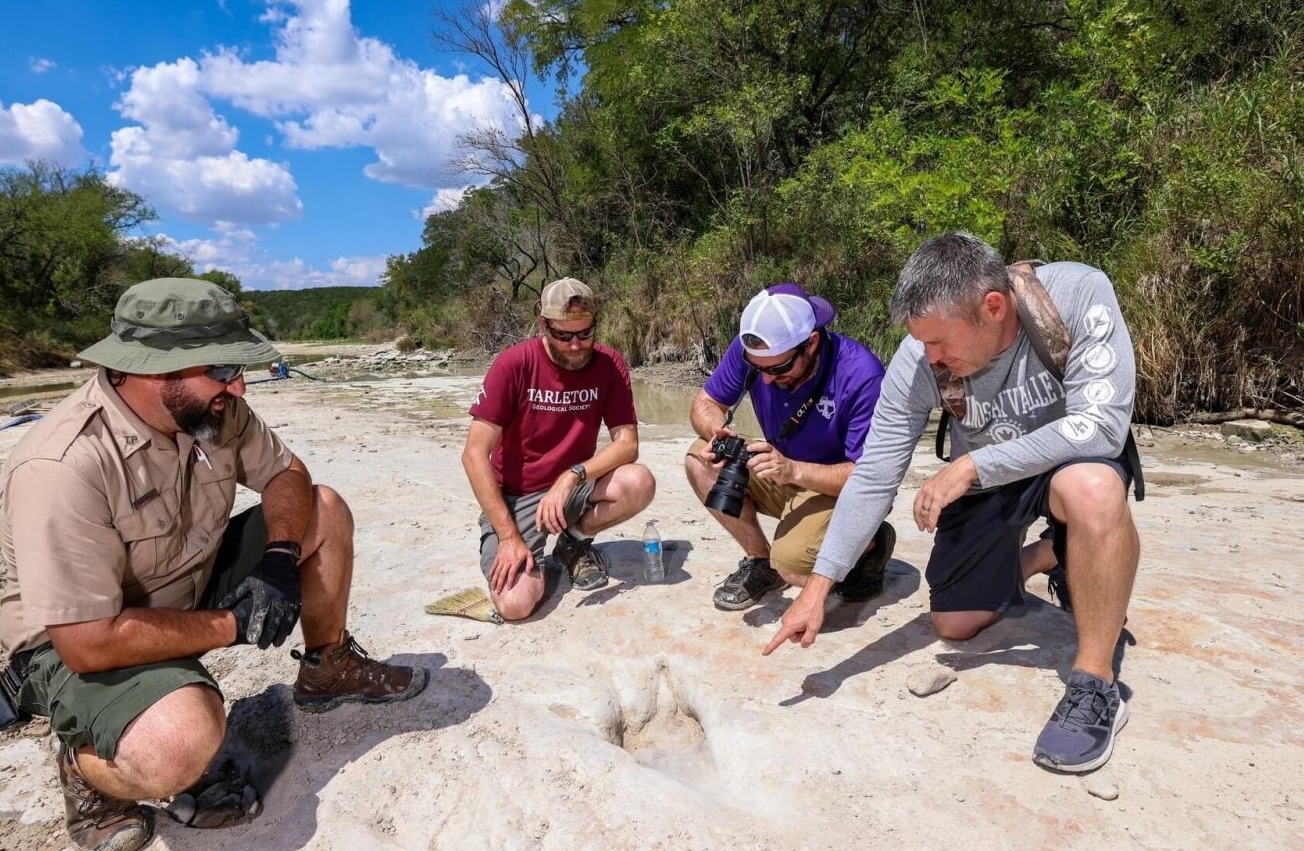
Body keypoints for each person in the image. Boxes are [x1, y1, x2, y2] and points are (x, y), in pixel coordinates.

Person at [0, 278, 429, 851]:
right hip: (78, 640)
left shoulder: (213, 408)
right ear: (155, 371)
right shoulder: (63, 466)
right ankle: (88, 763)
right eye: (224, 368)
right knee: (180, 746)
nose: (240, 384)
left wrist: (278, 558)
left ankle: (328, 668)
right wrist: (233, 623)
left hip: (187, 582)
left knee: (323, 507)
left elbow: (287, 473)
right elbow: (87, 642)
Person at [765, 232, 1141, 774]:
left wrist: (971, 465)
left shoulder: (1076, 294)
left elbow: (1102, 427)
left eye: (941, 344)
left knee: (1092, 489)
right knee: (955, 623)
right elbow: (874, 474)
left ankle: (1095, 684)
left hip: (1067, 464)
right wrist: (818, 589)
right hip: (991, 485)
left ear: (992, 306)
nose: (931, 357)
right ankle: (1053, 555)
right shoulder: (920, 356)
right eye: (922, 343)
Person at [685, 284, 893, 610]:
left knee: (793, 566)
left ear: (810, 343)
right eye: (758, 369)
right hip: (783, 469)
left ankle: (871, 544)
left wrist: (793, 470)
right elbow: (706, 402)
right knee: (698, 459)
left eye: (779, 369)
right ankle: (760, 561)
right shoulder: (757, 353)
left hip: (840, 488)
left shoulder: (862, 375)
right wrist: (716, 431)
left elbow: (870, 477)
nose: (766, 379)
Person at [463, 277, 656, 621]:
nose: (575, 345)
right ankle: (525, 552)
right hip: (516, 498)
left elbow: (627, 444)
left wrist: (572, 475)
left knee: (637, 482)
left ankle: (572, 544)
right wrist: (508, 537)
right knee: (515, 605)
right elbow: (474, 454)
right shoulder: (513, 365)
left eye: (585, 333)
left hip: (573, 489)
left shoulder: (609, 364)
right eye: (563, 335)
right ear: (543, 326)